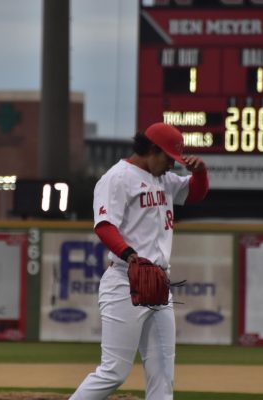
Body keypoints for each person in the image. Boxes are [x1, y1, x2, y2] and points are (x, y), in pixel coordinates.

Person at [70, 122, 209, 399]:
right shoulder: (118, 178)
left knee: (163, 375)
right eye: (169, 157)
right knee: (114, 372)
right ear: (152, 149)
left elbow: (194, 194)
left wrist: (200, 173)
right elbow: (105, 225)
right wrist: (130, 256)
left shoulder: (164, 179)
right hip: (125, 281)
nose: (172, 165)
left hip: (158, 284)